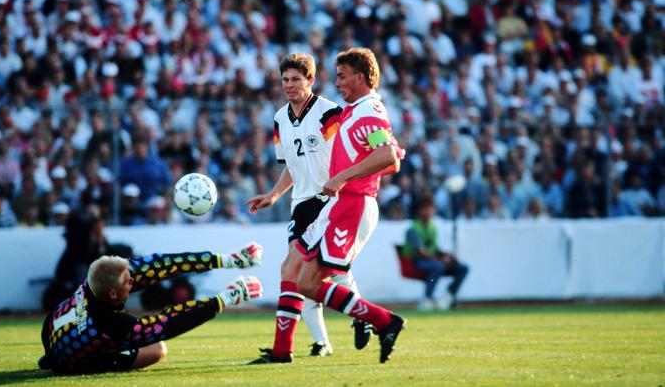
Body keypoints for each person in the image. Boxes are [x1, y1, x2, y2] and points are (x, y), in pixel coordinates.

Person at [252, 48, 405, 364]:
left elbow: (386, 155)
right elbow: (294, 165)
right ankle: (289, 348)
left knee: (309, 276)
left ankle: (369, 320)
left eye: (296, 79)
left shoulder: (336, 113)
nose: (289, 85)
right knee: (297, 273)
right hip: (317, 200)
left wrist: (342, 178)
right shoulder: (299, 116)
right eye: (285, 80)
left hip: (338, 200)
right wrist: (275, 195)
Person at [38, 243, 263, 374]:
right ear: (113, 294)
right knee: (157, 350)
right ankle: (62, 361)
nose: (133, 282)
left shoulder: (97, 279)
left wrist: (226, 260)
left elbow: (163, 264)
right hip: (70, 362)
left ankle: (49, 357)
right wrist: (225, 299)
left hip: (51, 334)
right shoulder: (112, 324)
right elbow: (167, 324)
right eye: (128, 282)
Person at [402, 197, 469, 310]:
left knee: (462, 268)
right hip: (416, 262)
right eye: (425, 209)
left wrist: (447, 256)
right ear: (419, 211)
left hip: (432, 261)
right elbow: (419, 251)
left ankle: (448, 296)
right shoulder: (413, 229)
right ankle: (427, 299)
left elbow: (434, 248)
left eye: (430, 209)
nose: (428, 212)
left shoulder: (432, 227)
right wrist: (440, 259)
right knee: (438, 266)